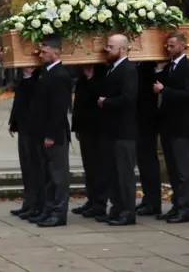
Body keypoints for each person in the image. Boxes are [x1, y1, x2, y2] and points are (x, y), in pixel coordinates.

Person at [26, 36, 73, 228]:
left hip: (54, 134)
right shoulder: (45, 72)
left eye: (44, 52)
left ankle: (59, 213)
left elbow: (59, 108)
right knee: (47, 175)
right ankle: (48, 209)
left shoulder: (61, 75)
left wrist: (51, 135)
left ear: (56, 53)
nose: (41, 55)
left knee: (58, 176)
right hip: (42, 131)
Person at [153, 32, 189, 224]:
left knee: (182, 170)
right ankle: (176, 205)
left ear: (183, 45)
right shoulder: (170, 67)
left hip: (182, 125)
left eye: (172, 45)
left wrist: (165, 91)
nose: (168, 49)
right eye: (167, 46)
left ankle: (185, 208)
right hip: (168, 125)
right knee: (171, 169)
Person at [97, 35, 139, 226]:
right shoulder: (112, 68)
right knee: (112, 173)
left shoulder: (128, 69)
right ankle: (116, 208)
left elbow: (129, 98)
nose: (107, 49)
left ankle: (127, 212)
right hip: (111, 131)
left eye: (110, 46)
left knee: (124, 175)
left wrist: (106, 102)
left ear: (122, 49)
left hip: (124, 131)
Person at [71, 64, 108, 219]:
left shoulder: (101, 74)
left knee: (98, 167)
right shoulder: (82, 79)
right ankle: (92, 199)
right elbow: (79, 103)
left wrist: (91, 77)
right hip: (85, 127)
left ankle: (100, 203)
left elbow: (98, 94)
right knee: (89, 167)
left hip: (97, 128)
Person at [8, 67, 42, 216]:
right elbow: (19, 98)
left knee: (34, 167)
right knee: (26, 167)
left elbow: (34, 98)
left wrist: (29, 76)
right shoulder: (23, 75)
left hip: (33, 127)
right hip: (23, 125)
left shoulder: (40, 75)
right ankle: (28, 202)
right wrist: (13, 121)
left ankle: (35, 204)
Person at [135, 61, 162, 216]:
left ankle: (153, 202)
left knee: (148, 161)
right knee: (143, 163)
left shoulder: (148, 65)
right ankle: (148, 199)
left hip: (147, 121)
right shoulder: (139, 65)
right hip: (139, 120)